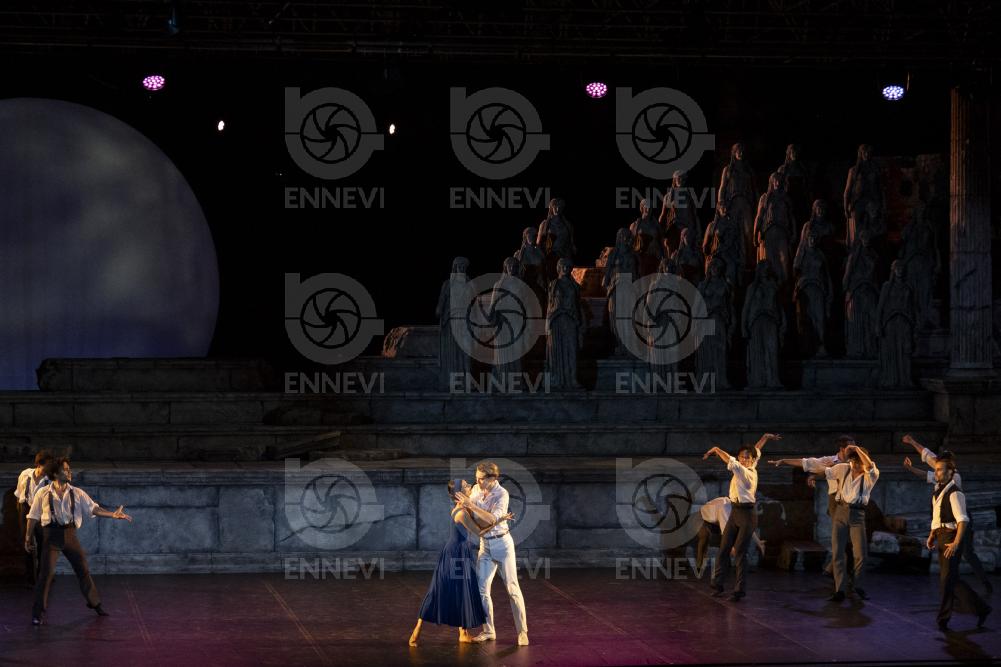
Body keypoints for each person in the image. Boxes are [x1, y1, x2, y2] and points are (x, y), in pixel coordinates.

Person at [26, 456, 133, 625]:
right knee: (45, 574)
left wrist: (112, 514)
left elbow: (93, 508)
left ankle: (95, 604)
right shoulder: (43, 492)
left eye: (70, 469)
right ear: (55, 473)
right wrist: (27, 537)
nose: (69, 472)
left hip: (70, 535)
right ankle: (37, 613)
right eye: (65, 470)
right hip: (51, 535)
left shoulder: (76, 492)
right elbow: (32, 517)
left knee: (83, 569)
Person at [409, 479, 513, 646]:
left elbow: (481, 523)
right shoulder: (461, 513)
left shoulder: (465, 508)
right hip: (454, 555)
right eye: (465, 486)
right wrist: (499, 520)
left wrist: (496, 518)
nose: (470, 486)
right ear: (458, 493)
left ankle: (463, 633)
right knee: (439, 590)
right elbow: (479, 531)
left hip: (462, 552)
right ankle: (417, 630)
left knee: (463, 590)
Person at [902, 434, 991, 596]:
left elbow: (928, 464)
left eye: (939, 465)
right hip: (947, 522)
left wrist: (912, 452)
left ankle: (983, 585)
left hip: (960, 519)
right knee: (951, 563)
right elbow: (927, 456)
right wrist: (912, 444)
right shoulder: (941, 470)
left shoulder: (953, 476)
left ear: (949, 467)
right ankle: (953, 591)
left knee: (967, 554)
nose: (936, 466)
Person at [703, 433, 781, 601]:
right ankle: (718, 584)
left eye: (747, 458)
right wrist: (765, 438)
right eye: (742, 457)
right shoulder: (751, 461)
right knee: (724, 549)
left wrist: (716, 449)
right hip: (735, 512)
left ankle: (739, 590)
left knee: (739, 552)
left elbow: (729, 460)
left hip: (747, 515)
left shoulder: (745, 472)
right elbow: (756, 449)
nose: (744, 460)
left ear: (752, 461)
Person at [768, 435, 854, 577]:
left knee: (848, 537)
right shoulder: (830, 461)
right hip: (837, 500)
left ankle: (833, 569)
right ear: (842, 448)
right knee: (840, 536)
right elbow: (807, 462)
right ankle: (837, 570)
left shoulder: (856, 462)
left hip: (853, 500)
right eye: (851, 448)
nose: (854, 450)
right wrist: (783, 461)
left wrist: (815, 476)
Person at [466, 461, 529, 645]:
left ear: (493, 478)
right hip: (485, 545)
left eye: (481, 479)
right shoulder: (476, 490)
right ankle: (488, 631)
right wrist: (466, 505)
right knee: (481, 589)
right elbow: (476, 517)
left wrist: (472, 506)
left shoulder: (502, 494)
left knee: (512, 588)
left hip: (502, 545)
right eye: (476, 478)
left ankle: (522, 632)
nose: (477, 482)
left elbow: (492, 519)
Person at [927, 458, 992, 631]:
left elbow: (962, 520)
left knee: (946, 580)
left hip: (951, 536)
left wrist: (956, 542)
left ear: (950, 472)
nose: (936, 472)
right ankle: (982, 609)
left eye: (940, 469)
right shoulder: (937, 492)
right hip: (941, 535)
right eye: (936, 469)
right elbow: (937, 518)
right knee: (952, 579)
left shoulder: (955, 493)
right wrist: (932, 534)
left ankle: (943, 619)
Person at [823, 445, 878, 602]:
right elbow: (824, 470)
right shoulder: (845, 469)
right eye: (853, 462)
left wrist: (857, 449)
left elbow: (869, 466)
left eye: (858, 462)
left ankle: (858, 585)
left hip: (857, 514)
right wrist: (812, 476)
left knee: (860, 554)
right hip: (841, 511)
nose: (854, 466)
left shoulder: (871, 475)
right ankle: (839, 589)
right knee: (838, 552)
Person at [695, 496, 766, 576]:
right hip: (703, 518)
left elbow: (746, 526)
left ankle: (730, 567)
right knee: (704, 539)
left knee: (734, 541)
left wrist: (759, 542)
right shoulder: (724, 509)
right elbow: (726, 534)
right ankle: (699, 566)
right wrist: (733, 549)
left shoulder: (738, 510)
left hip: (716, 519)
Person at [15, 450, 53, 586]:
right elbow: (19, 494)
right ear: (38, 464)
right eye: (46, 466)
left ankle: (42, 576)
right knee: (27, 544)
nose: (48, 469)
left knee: (43, 544)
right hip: (25, 508)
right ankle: (29, 577)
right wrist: (22, 512)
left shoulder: (49, 480)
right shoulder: (25, 474)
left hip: (41, 512)